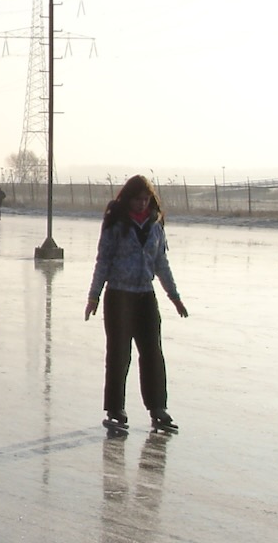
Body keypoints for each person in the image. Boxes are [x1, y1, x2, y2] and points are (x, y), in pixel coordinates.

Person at [85, 174, 189, 434]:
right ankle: (115, 408)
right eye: (137, 199)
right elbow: (103, 261)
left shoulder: (155, 225)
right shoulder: (115, 224)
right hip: (119, 295)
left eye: (146, 199)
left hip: (145, 296)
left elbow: (161, 263)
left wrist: (174, 297)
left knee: (152, 352)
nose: (142, 204)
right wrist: (94, 295)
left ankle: (158, 409)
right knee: (119, 354)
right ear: (128, 199)